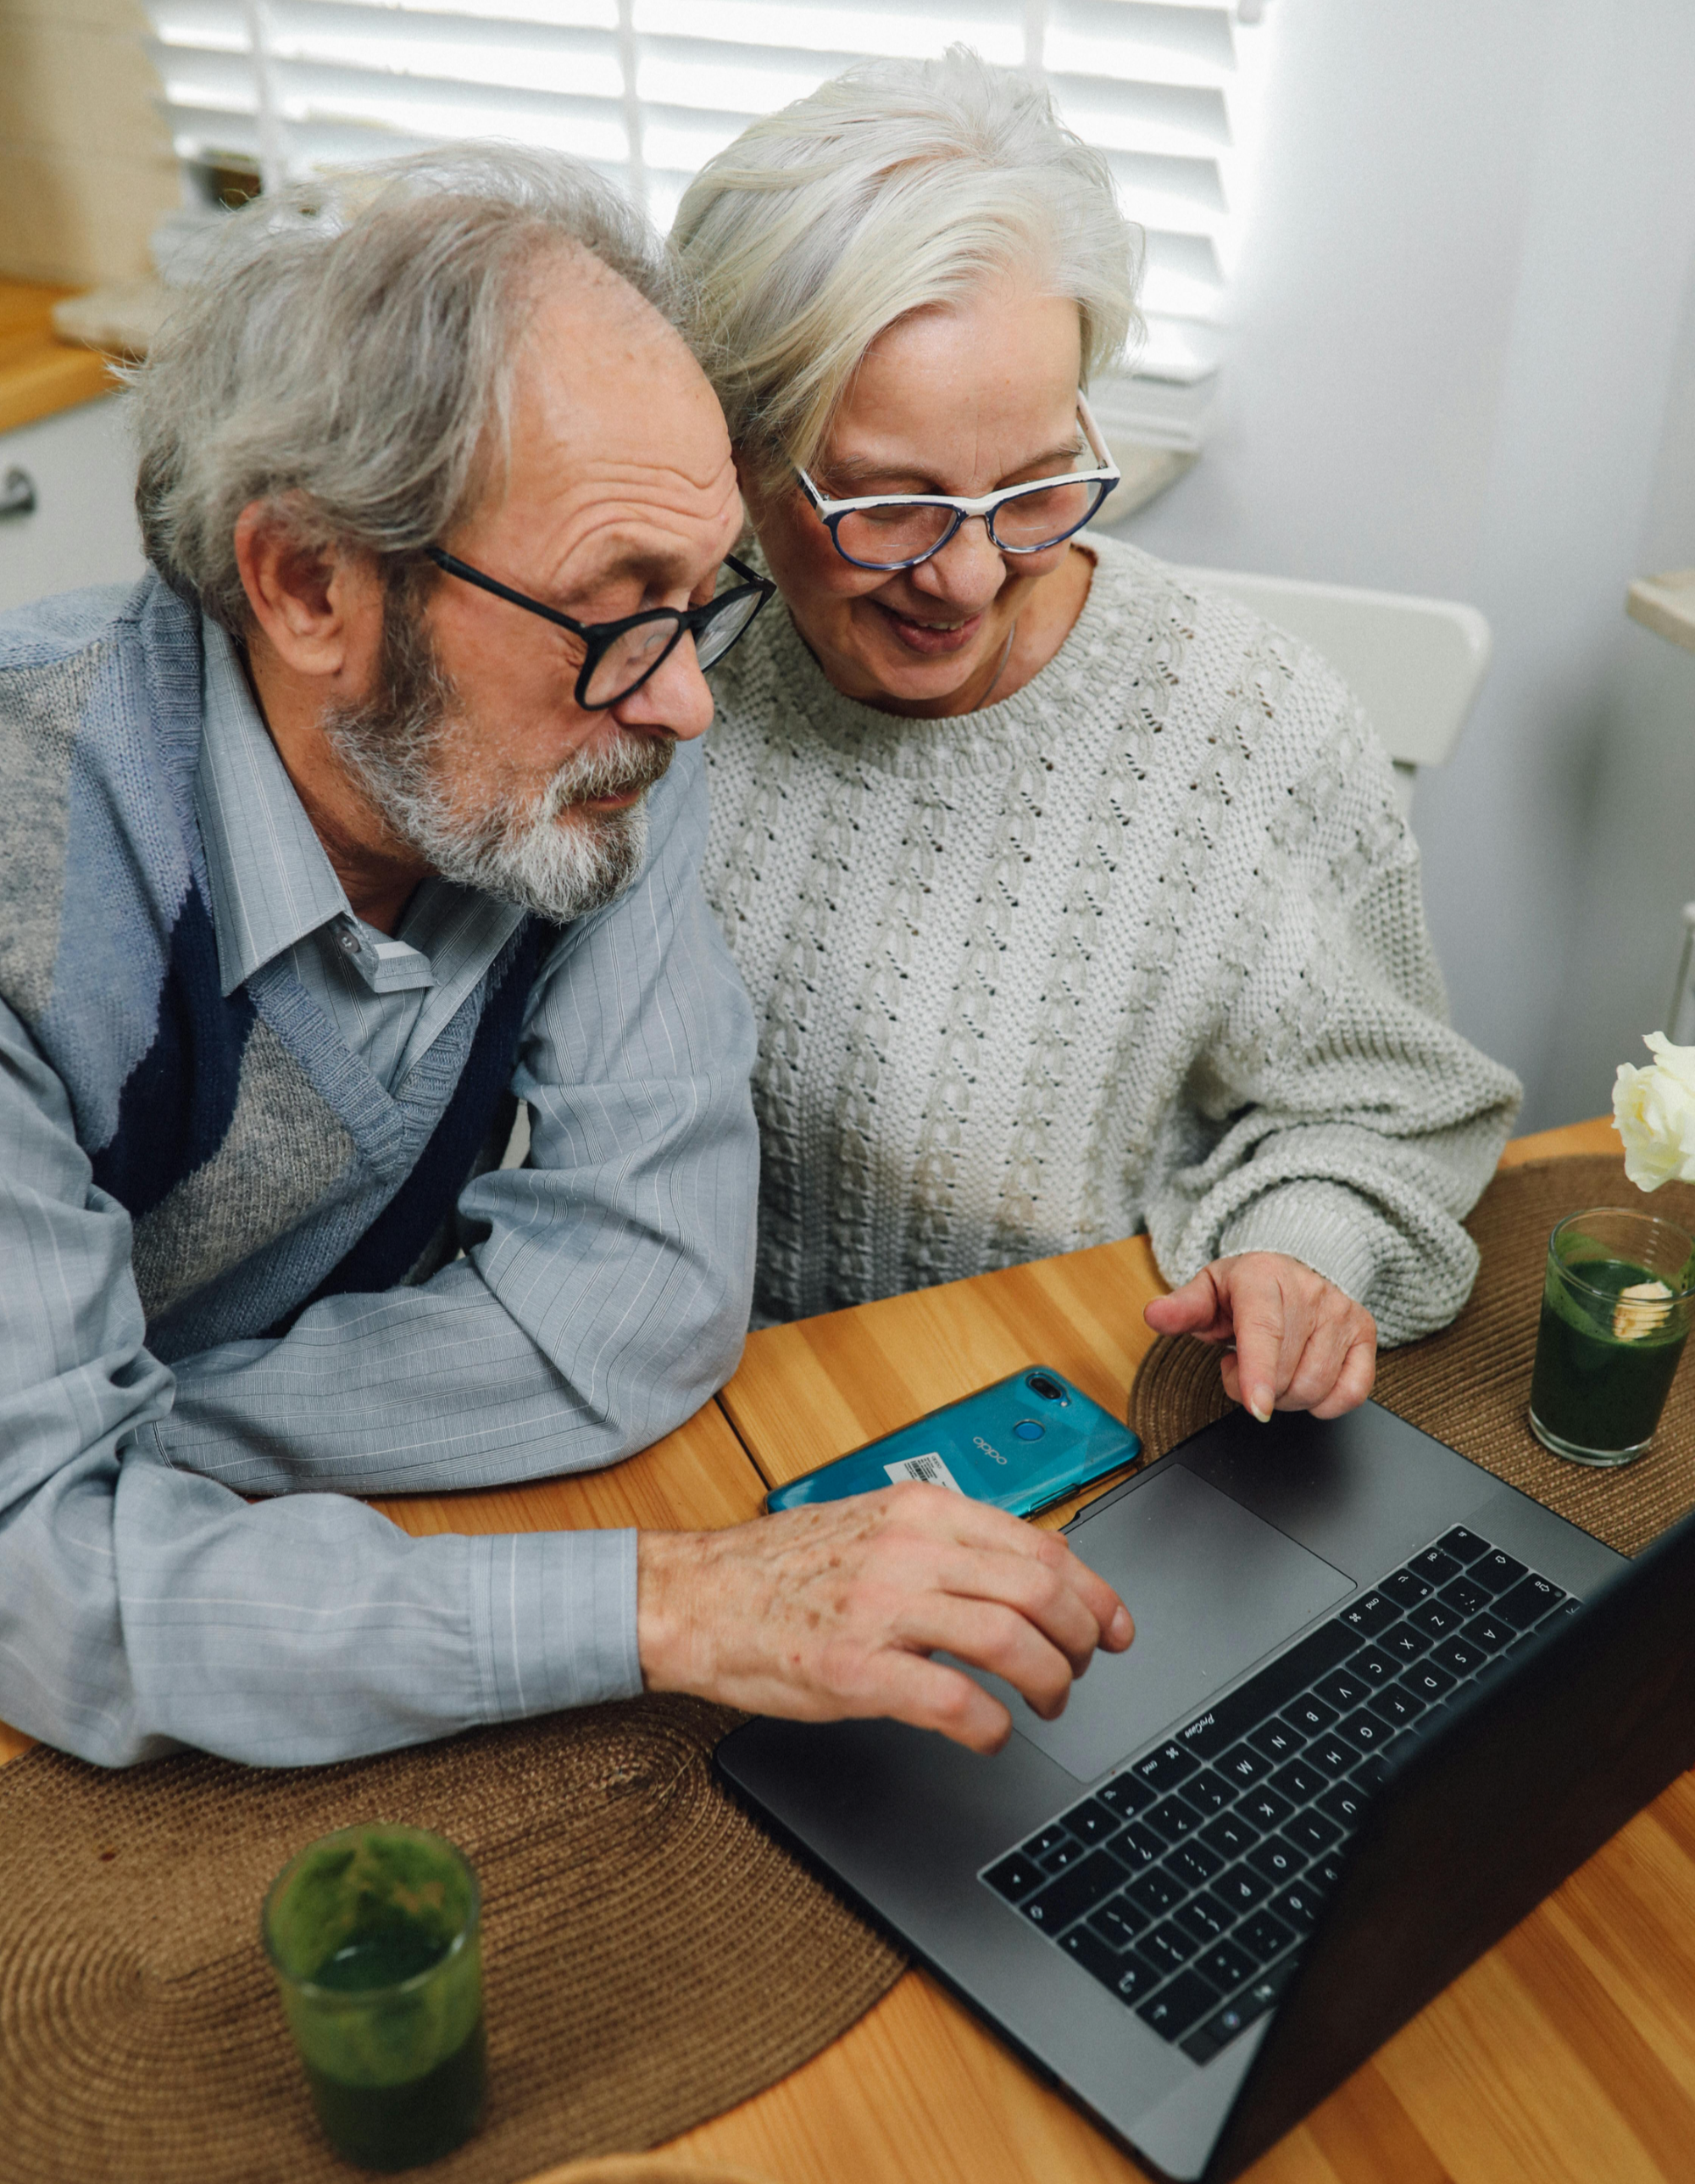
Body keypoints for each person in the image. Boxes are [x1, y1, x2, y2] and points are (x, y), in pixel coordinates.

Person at [0, 146, 1128, 1770]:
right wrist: (663, 1607)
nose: (686, 702)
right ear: (309, 581)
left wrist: (135, 1442)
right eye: (614, 611)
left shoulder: (582, 760)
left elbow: (642, 1310)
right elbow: (59, 1598)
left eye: (697, 599)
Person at [674, 52, 1522, 1420]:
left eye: (1033, 484)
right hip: (694, 1407)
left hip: (1068, 1410)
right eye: (889, 506)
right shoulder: (663, 669)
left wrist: (1299, 1259)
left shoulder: (1248, 729)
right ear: (741, 463)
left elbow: (1389, 1109)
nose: (968, 578)